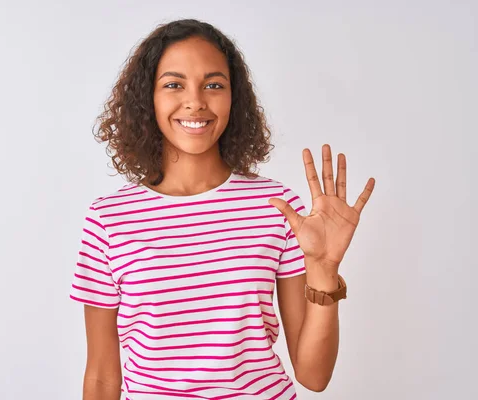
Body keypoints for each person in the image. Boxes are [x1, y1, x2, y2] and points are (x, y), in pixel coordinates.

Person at [70, 19, 375, 400]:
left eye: (213, 84)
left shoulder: (277, 208)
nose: (195, 101)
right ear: (147, 98)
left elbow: (314, 376)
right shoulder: (109, 219)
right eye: (173, 84)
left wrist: (325, 271)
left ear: (235, 98)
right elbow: (101, 377)